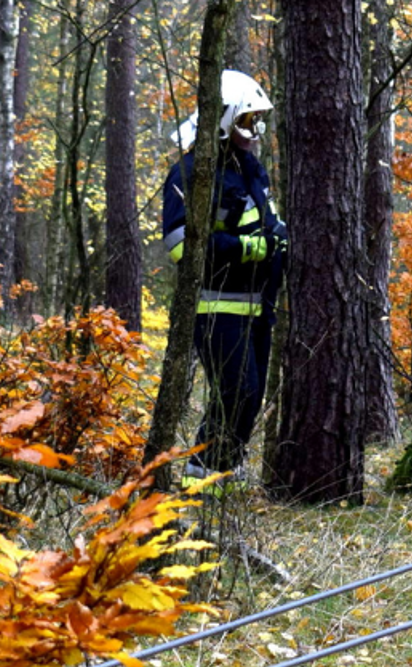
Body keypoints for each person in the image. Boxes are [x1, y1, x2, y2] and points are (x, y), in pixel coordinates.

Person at [161, 70, 289, 486]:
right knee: (237, 394)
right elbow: (181, 245)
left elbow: (267, 223)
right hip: (216, 307)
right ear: (223, 121)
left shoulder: (251, 169)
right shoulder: (190, 173)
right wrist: (249, 249)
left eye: (257, 121)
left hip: (258, 306)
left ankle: (222, 477)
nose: (255, 132)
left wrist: (280, 238)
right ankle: (198, 483)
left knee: (250, 400)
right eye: (247, 121)